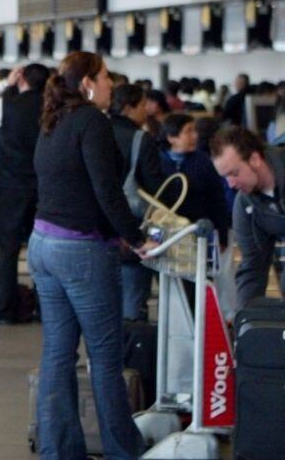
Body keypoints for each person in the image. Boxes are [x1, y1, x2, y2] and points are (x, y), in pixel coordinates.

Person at [29, 52, 155, 460]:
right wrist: (135, 239)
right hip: (81, 250)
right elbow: (107, 190)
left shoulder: (53, 120)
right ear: (86, 82)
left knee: (57, 353)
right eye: (104, 78)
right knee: (104, 355)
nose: (110, 85)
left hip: (43, 243)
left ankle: (57, 451)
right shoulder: (93, 123)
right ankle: (123, 454)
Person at [0, 63, 50, 324]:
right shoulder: (49, 109)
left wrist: (6, 84)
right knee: (42, 251)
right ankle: (44, 307)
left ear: (21, 78)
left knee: (7, 251)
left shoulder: (7, 106)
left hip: (10, 187)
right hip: (41, 187)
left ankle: (5, 308)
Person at [110, 83, 172, 321]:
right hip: (132, 225)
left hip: (97, 228)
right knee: (132, 294)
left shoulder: (96, 129)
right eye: (142, 104)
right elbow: (155, 187)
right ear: (128, 107)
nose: (146, 110)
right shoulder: (140, 138)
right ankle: (131, 347)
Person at [212, 125, 285, 309]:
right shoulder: (245, 205)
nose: (231, 184)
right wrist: (245, 324)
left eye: (234, 173)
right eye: (225, 177)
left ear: (255, 159)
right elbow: (252, 268)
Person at [162, 113, 232, 244]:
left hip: (199, 232)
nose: (195, 136)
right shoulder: (157, 161)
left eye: (195, 131)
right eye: (188, 131)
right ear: (171, 137)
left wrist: (222, 235)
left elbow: (217, 200)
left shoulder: (203, 161)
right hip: (166, 233)